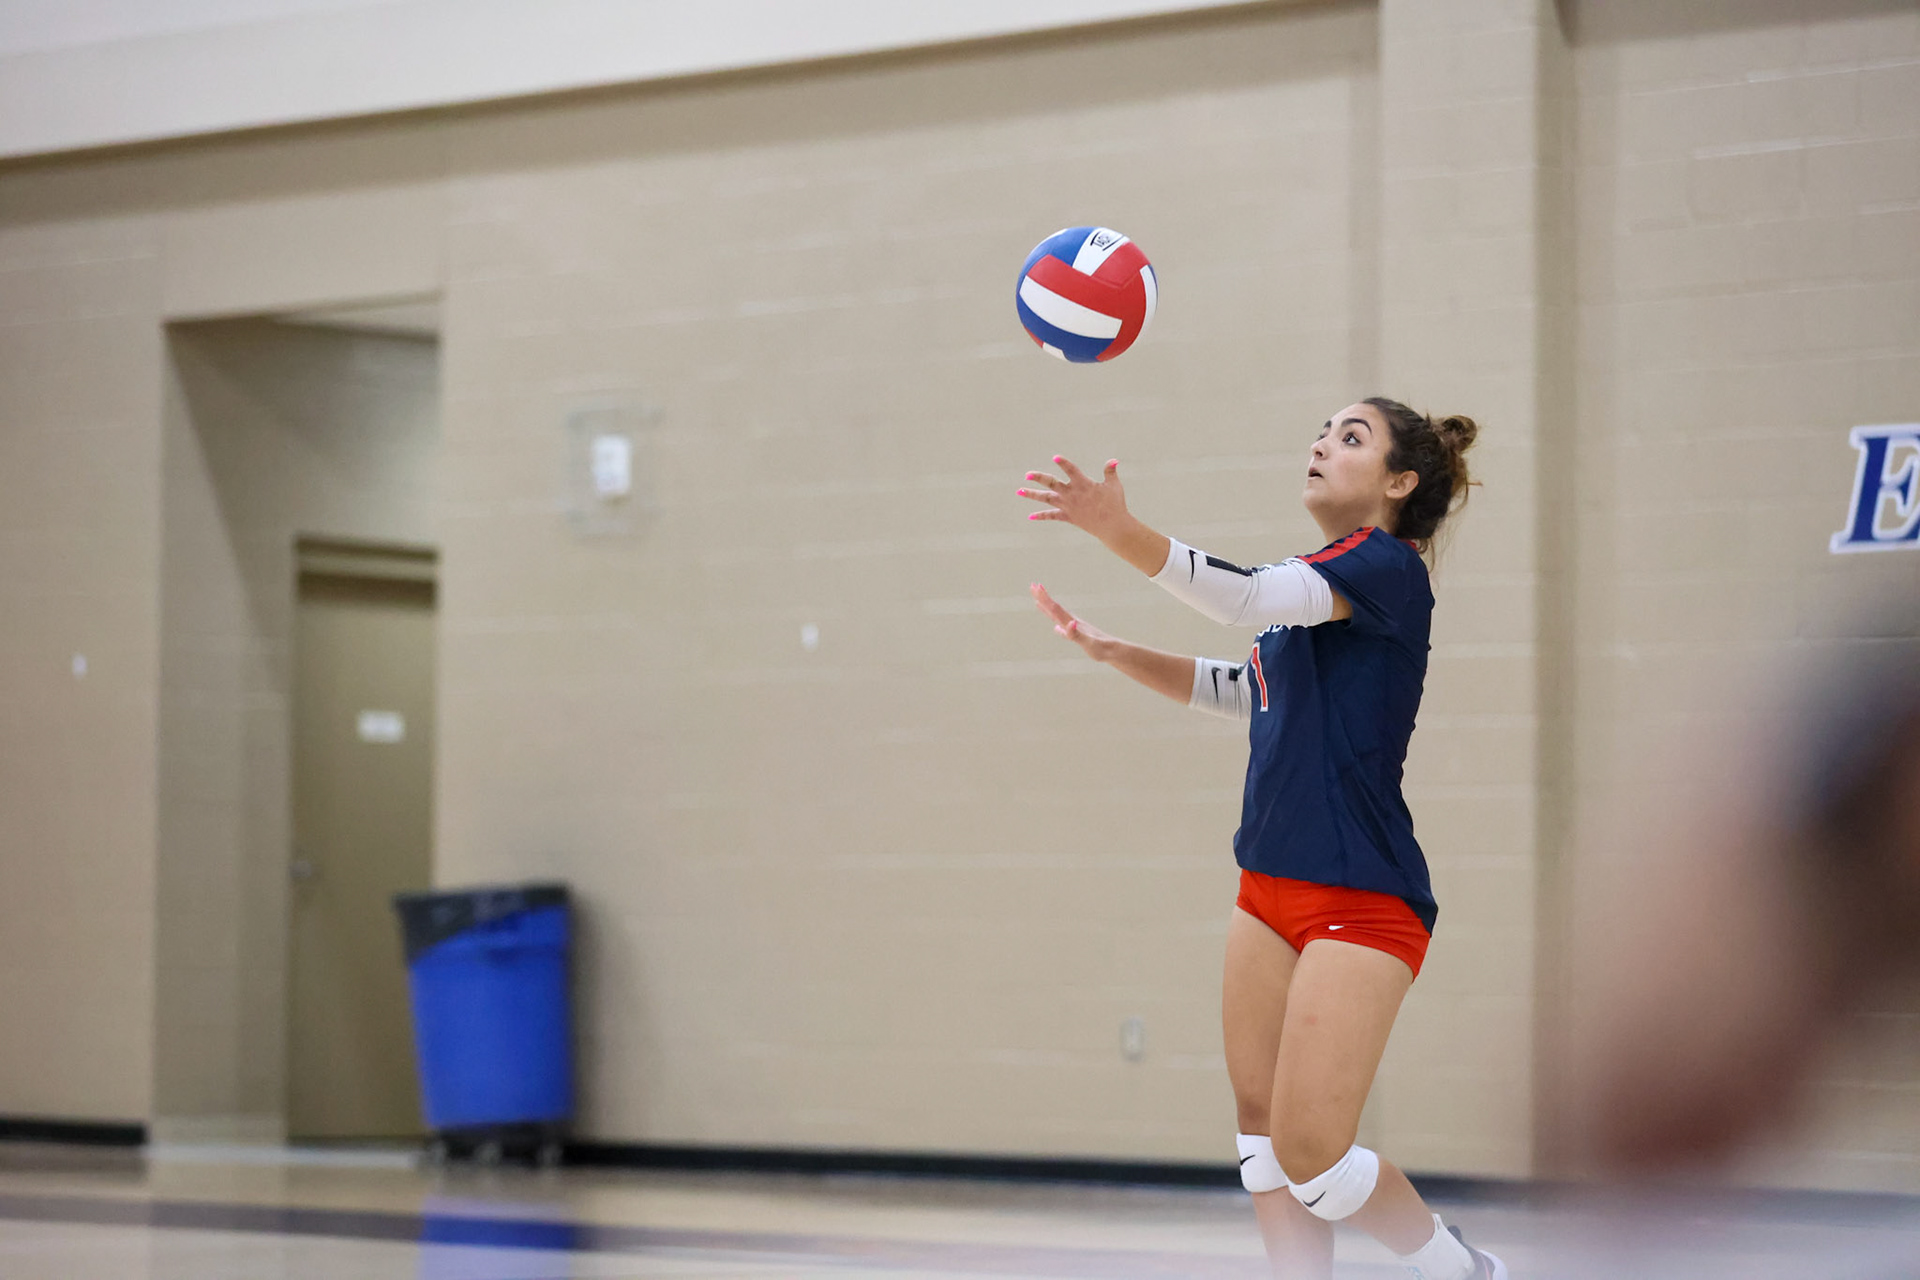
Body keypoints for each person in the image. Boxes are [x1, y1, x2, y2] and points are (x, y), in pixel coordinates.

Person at [1017, 399, 1501, 1280]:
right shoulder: (1321, 585)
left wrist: (1115, 530)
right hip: (1268, 886)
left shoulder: (1385, 565)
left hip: (1362, 894)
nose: (1322, 442)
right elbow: (1250, 690)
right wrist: (1121, 654)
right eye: (1322, 430)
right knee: (1261, 1137)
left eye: (1351, 437)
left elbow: (1237, 597)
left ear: (1399, 483)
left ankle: (1457, 1269)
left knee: (1315, 1155)